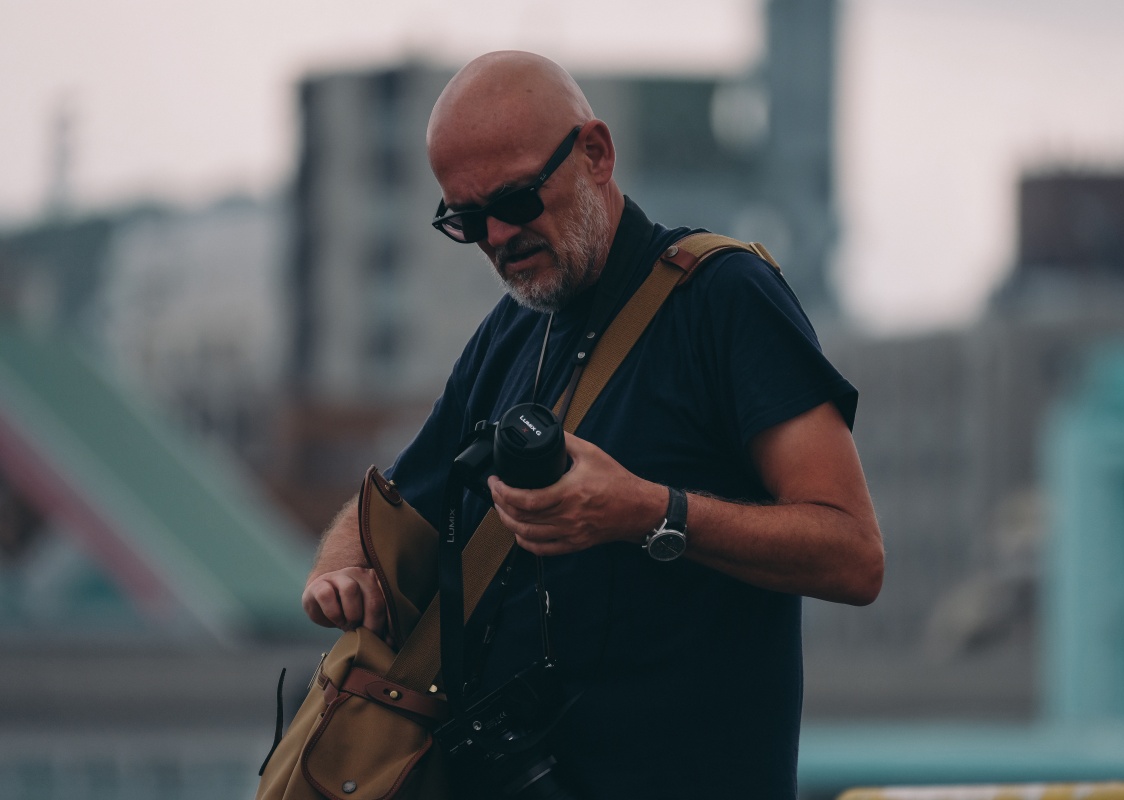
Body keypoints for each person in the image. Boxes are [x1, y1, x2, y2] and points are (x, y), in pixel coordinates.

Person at [301, 50, 884, 800]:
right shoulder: (510, 332)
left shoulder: (726, 299)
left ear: (596, 155)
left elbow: (854, 554)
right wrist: (341, 569)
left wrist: (648, 512)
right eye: (467, 219)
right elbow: (390, 503)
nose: (498, 237)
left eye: (514, 201)